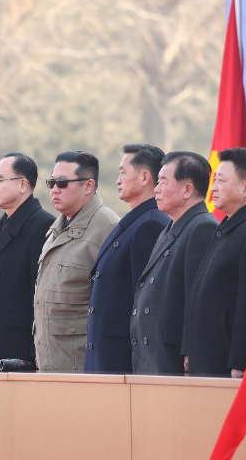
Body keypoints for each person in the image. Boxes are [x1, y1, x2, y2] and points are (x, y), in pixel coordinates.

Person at [183, 147, 246, 378]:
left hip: (226, 361)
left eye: (221, 180)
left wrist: (241, 362)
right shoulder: (228, 225)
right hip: (206, 355)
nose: (213, 187)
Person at [130, 152, 217, 374]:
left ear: (187, 190)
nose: (156, 189)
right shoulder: (172, 227)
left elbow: (197, 299)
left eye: (163, 182)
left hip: (173, 358)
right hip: (153, 355)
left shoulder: (202, 227)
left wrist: (190, 351)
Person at [85, 144, 169, 373]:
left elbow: (145, 305)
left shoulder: (151, 224)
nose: (117, 180)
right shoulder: (135, 221)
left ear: (144, 177)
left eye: (123, 172)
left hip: (122, 360)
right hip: (105, 355)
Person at [33, 151, 119, 372]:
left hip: (82, 368)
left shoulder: (108, 229)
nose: (54, 190)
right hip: (50, 363)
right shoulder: (57, 229)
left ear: (89, 186)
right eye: (51, 183)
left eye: (62, 183)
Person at [0, 153, 54, 369]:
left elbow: (41, 295)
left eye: (0, 180)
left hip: (15, 348)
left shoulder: (42, 225)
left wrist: (34, 352)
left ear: (23, 184)